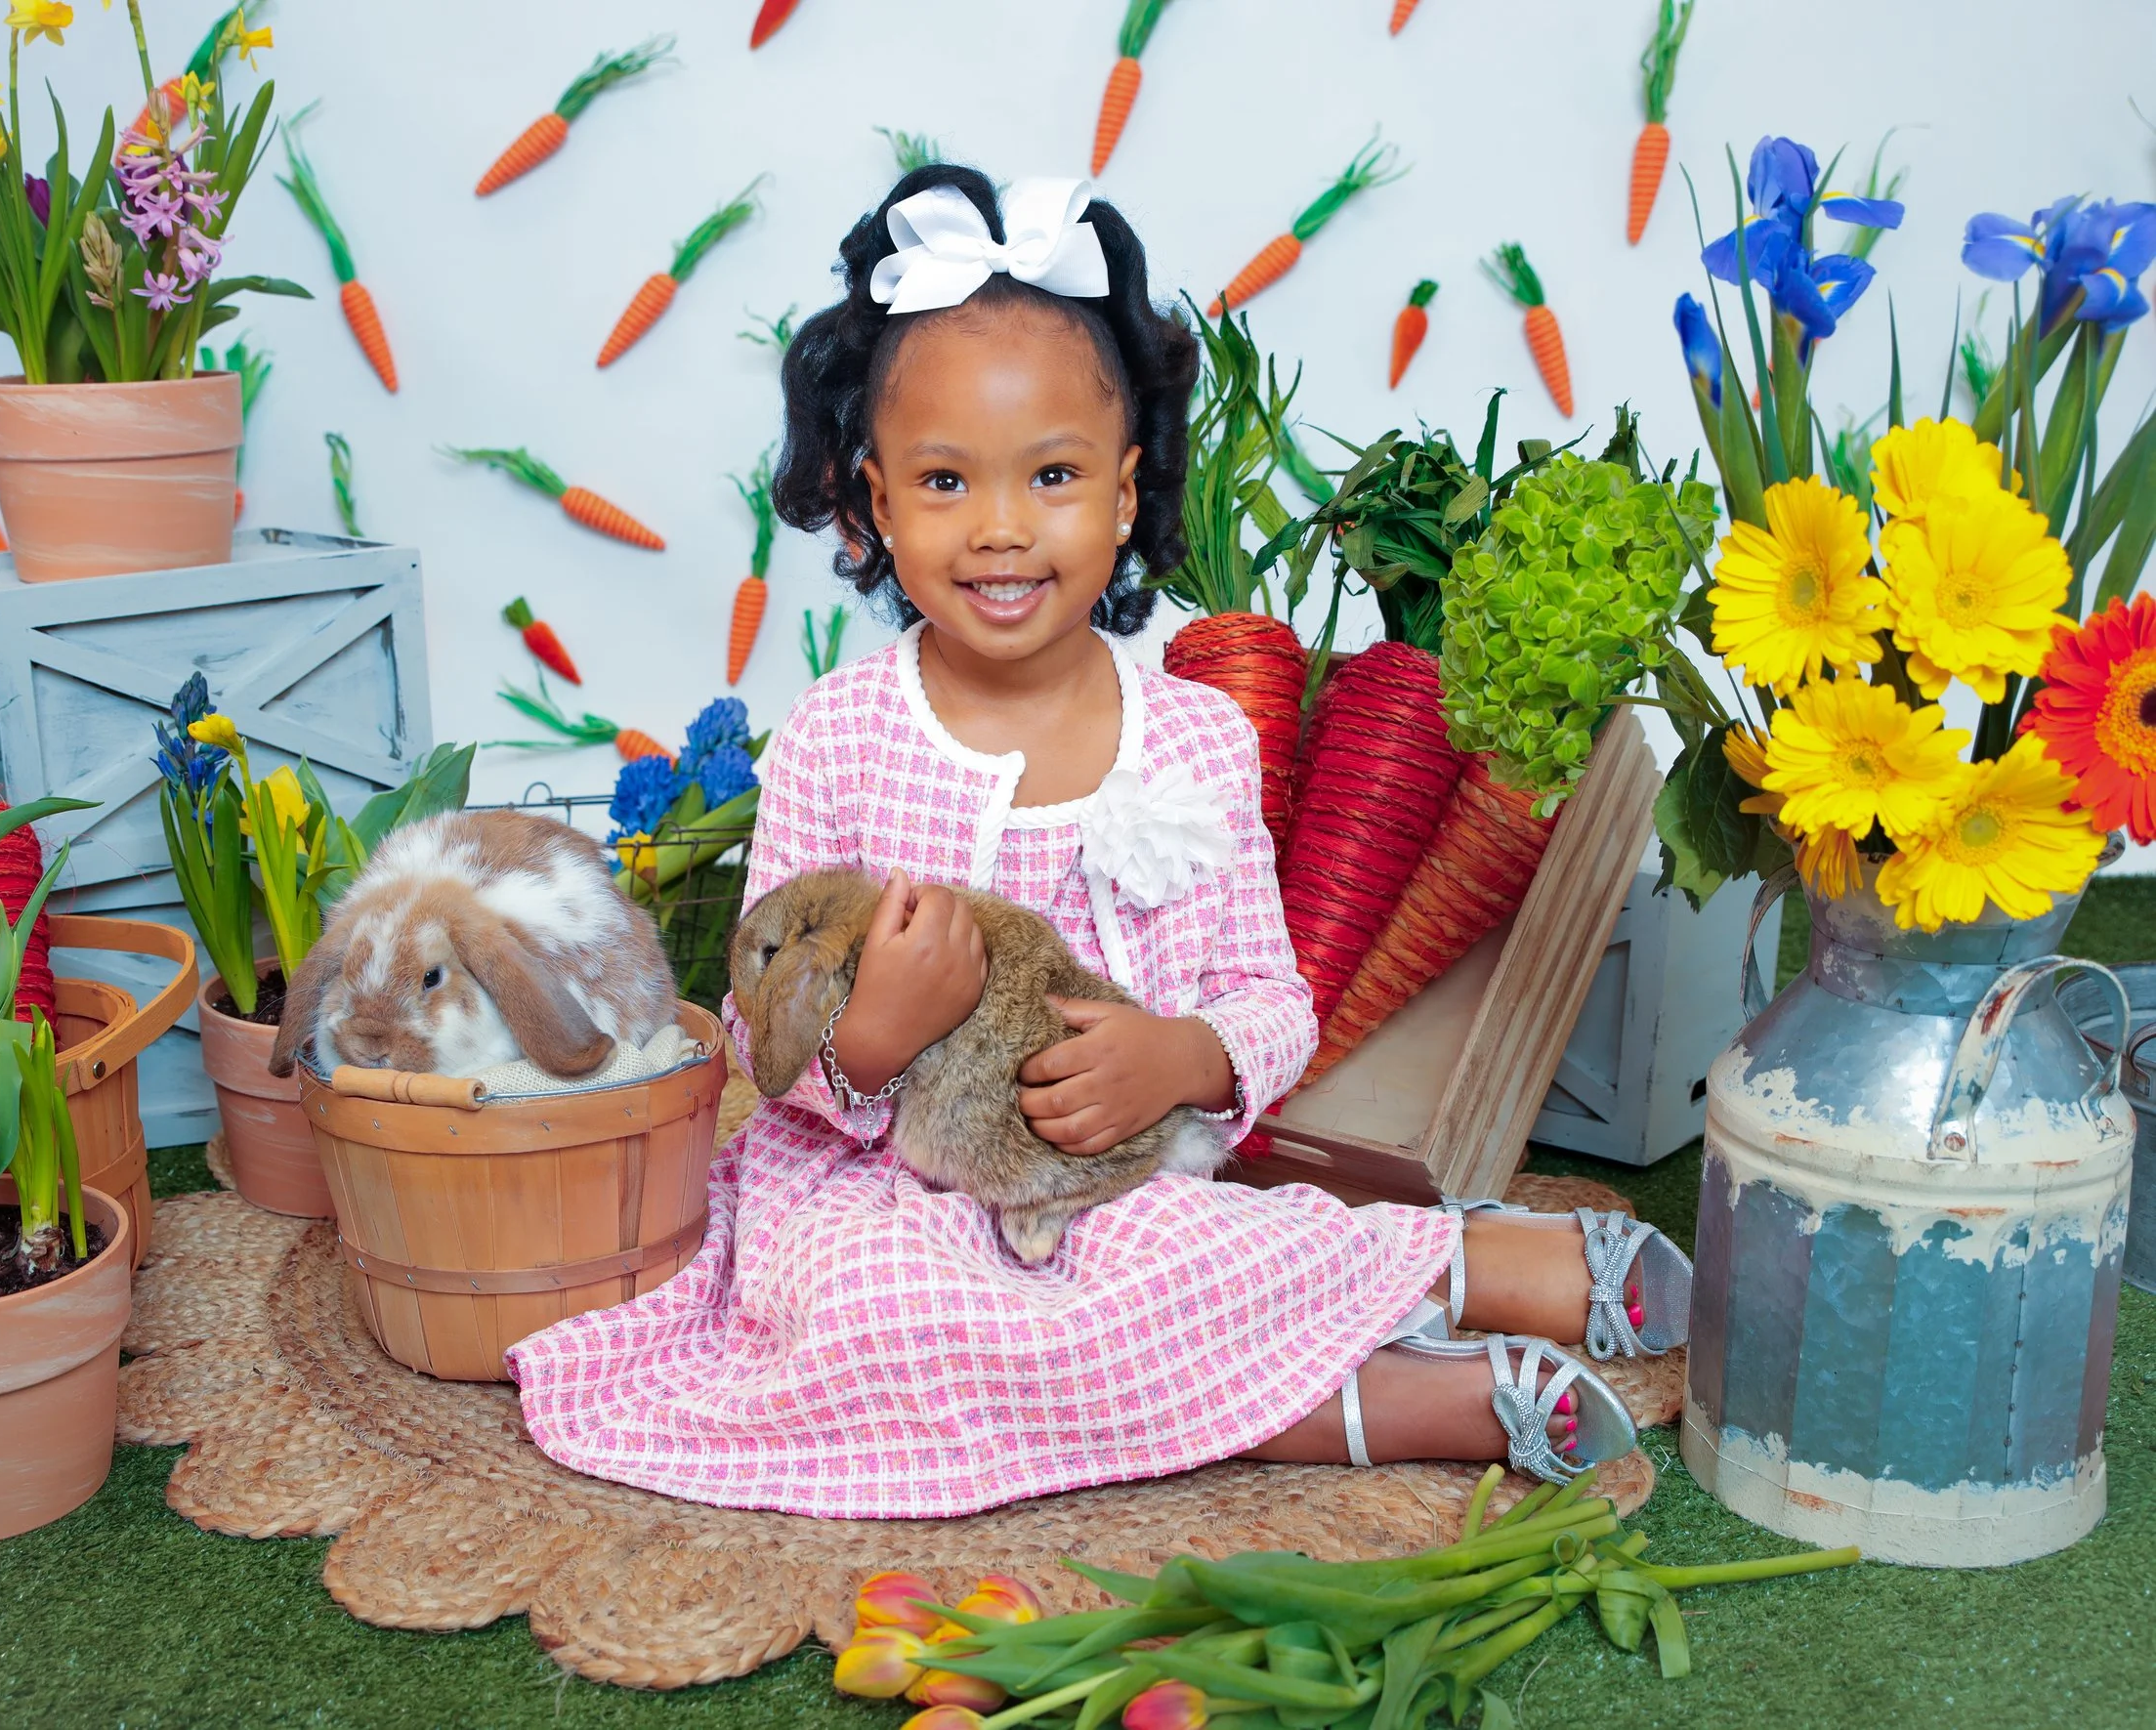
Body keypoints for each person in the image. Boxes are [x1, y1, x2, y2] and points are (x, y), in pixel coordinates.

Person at [505, 166, 1690, 1519]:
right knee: (879, 1314)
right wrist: (876, 1040)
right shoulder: (838, 734)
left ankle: (1464, 1264)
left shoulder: (1191, 734)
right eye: (947, 480)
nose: (1003, 526)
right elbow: (759, 1015)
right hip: (886, 1192)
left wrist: (1182, 1056)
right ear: (874, 501)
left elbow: (1266, 998)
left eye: (1053, 475)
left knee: (1177, 1249)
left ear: (1125, 494)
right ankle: (1401, 1398)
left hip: (1115, 1175)